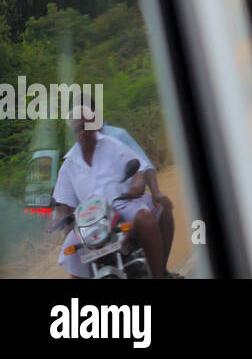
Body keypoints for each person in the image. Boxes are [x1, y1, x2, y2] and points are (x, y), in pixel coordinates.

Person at [48, 108, 175, 278]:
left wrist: (134, 188)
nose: (83, 132)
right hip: (91, 221)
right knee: (70, 251)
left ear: (95, 125)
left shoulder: (113, 145)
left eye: (86, 126)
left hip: (123, 204)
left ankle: (159, 275)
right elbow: (62, 202)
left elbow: (139, 171)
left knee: (145, 218)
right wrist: (58, 218)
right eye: (78, 129)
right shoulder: (69, 165)